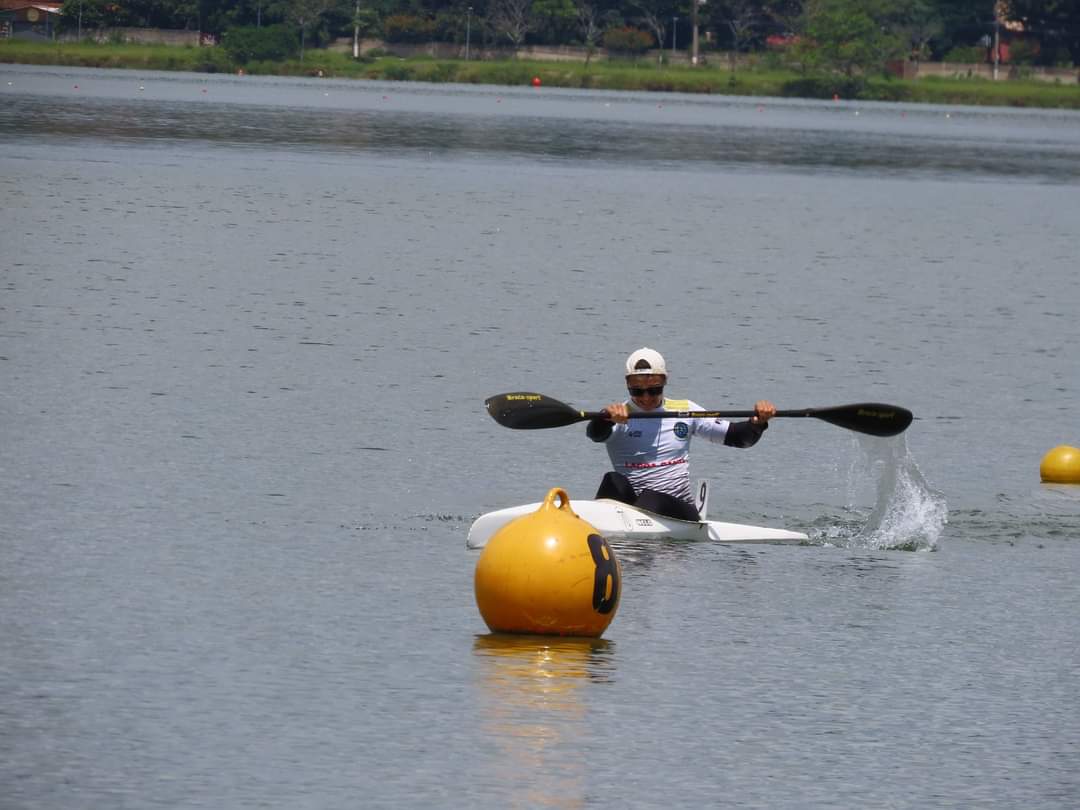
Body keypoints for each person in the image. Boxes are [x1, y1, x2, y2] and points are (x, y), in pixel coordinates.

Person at [586, 347, 776, 521]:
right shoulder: (617, 416)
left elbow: (738, 438)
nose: (646, 398)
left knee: (651, 497)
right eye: (637, 391)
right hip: (632, 508)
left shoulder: (685, 410)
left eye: (654, 390)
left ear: (664, 381)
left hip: (679, 511)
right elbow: (595, 434)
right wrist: (603, 418)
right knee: (613, 480)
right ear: (627, 384)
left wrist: (758, 422)